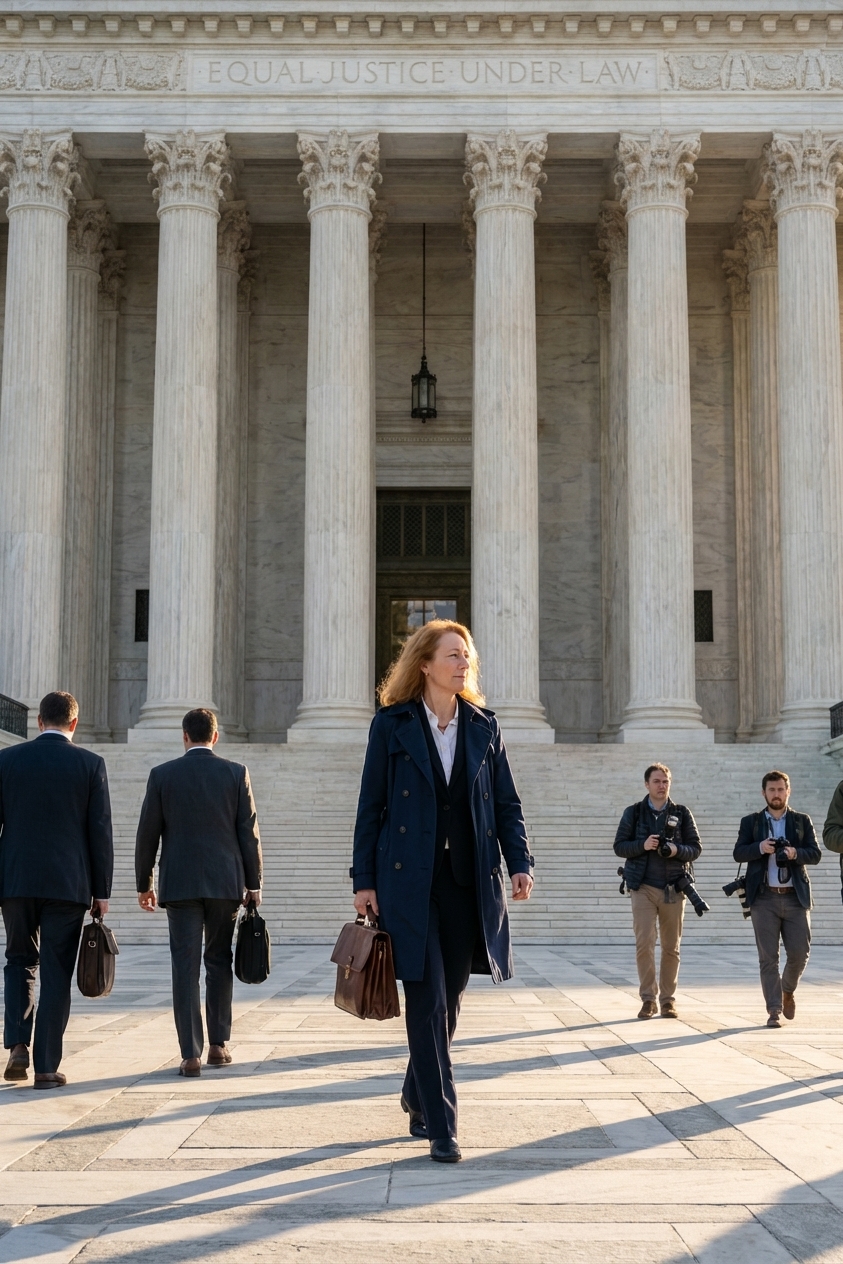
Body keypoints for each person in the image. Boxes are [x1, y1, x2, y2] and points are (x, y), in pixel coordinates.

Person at [352, 619, 534, 1164]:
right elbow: (371, 806)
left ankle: (415, 1090)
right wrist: (363, 879)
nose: (463, 664)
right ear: (425, 664)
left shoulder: (484, 725)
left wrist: (519, 861)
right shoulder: (392, 725)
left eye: (467, 656)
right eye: (453, 655)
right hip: (408, 883)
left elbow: (506, 803)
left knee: (450, 999)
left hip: (468, 883)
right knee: (426, 997)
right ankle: (442, 1123)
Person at [135, 708, 263, 1077]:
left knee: (184, 967)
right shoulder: (235, 773)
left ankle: (190, 1053)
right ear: (216, 736)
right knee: (218, 961)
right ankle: (219, 1046)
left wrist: (145, 883)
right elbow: (248, 833)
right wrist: (253, 884)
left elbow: (148, 835)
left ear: (184, 736)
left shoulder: (162, 775)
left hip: (180, 884)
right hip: (225, 884)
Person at [0, 691, 113, 1088]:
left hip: (15, 882)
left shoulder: (7, 760)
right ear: (75, 723)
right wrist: (102, 891)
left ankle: (17, 1045)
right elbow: (100, 834)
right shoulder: (90, 764)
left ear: (38, 722)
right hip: (68, 885)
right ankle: (47, 1067)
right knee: (56, 972)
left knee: (18, 960)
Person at [613, 763, 702, 1020]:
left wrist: (676, 850)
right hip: (642, 887)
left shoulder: (682, 813)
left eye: (665, 781)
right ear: (646, 784)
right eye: (657, 781)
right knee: (644, 945)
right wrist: (643, 844)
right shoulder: (634, 813)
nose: (662, 786)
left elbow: (695, 848)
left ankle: (668, 1000)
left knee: (671, 947)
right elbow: (620, 846)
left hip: (673, 888)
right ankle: (648, 999)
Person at [735, 771, 820, 1028]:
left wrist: (795, 852)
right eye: (771, 790)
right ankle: (774, 1009)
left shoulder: (801, 821)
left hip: (795, 897)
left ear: (788, 791)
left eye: (781, 789)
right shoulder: (751, 822)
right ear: (764, 793)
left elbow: (815, 854)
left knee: (800, 954)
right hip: (764, 898)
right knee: (768, 958)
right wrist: (760, 848)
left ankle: (787, 990)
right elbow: (739, 853)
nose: (776, 794)